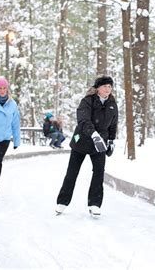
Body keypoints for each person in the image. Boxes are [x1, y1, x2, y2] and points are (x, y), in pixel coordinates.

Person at [55, 75, 118, 217]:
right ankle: (62, 202)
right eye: (104, 86)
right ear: (97, 89)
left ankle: (95, 204)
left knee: (98, 173)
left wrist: (111, 140)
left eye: (109, 86)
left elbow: (113, 124)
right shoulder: (87, 101)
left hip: (100, 143)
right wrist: (94, 135)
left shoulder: (112, 104)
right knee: (72, 172)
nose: (107, 89)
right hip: (82, 141)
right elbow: (83, 121)